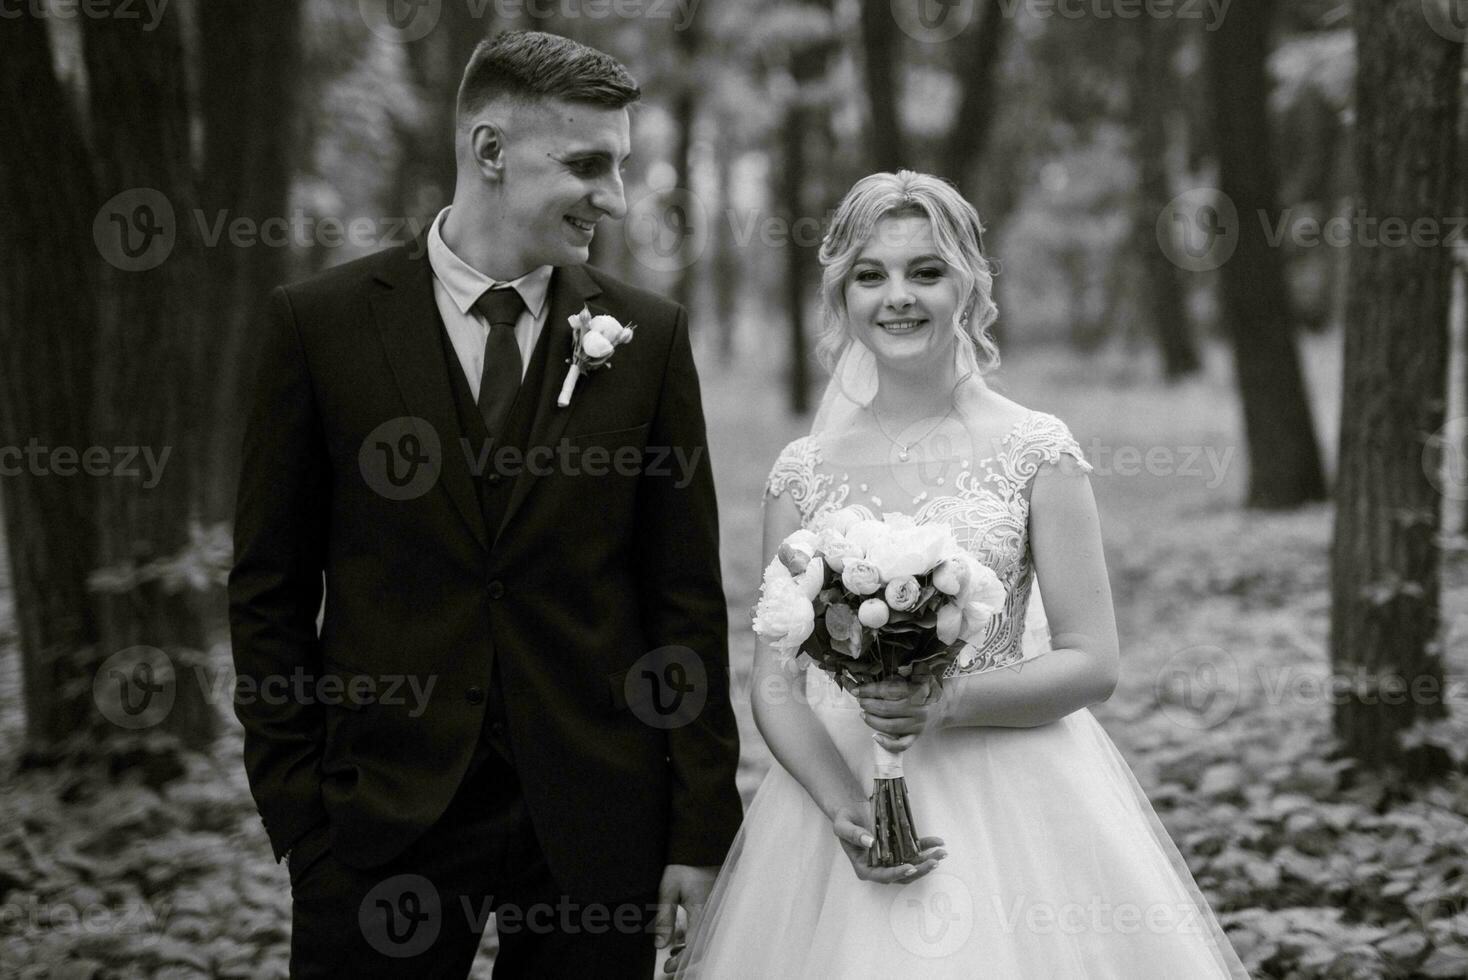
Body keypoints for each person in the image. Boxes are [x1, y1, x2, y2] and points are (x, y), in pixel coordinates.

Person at [228, 30, 742, 978]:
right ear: (491, 151)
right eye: (587, 165)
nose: (616, 199)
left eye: (621, 166)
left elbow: (683, 597)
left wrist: (700, 827)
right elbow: (270, 587)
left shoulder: (648, 338)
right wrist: (301, 815)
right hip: (378, 822)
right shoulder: (320, 324)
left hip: (596, 824)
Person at [667, 170, 1250, 978]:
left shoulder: (1037, 451)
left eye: (925, 271)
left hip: (1016, 788)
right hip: (843, 795)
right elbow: (775, 683)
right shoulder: (800, 473)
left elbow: (1094, 661)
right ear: (842, 294)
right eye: (870, 275)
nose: (897, 296)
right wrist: (846, 809)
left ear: (969, 285)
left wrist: (942, 700)